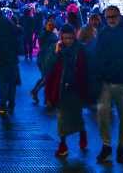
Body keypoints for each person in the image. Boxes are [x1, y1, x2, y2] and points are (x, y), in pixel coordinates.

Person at [91, 6, 123, 165]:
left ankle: (121, 146)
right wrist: (97, 81)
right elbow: (97, 59)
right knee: (102, 115)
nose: (111, 19)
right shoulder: (103, 35)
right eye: (108, 17)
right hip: (106, 83)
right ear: (105, 19)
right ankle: (107, 145)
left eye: (114, 16)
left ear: (119, 17)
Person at [44, 24, 92, 158]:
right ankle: (63, 145)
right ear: (61, 38)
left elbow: (86, 70)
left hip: (76, 89)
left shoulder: (80, 50)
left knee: (77, 116)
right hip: (61, 89)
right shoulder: (57, 49)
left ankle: (82, 133)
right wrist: (56, 53)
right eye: (65, 38)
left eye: (70, 38)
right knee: (62, 118)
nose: (68, 41)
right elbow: (48, 66)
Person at [0, 10, 21, 115]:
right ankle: (11, 103)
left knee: (3, 82)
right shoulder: (11, 25)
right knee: (12, 82)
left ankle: (2, 105)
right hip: (13, 58)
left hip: (3, 58)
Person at [30, 18, 58, 104]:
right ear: (46, 25)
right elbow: (41, 41)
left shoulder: (51, 35)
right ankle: (39, 93)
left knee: (45, 77)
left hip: (48, 57)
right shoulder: (45, 34)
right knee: (46, 77)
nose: (51, 26)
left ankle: (36, 91)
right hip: (44, 58)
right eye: (49, 25)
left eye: (52, 25)